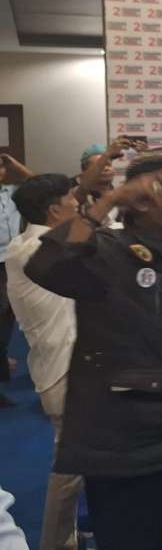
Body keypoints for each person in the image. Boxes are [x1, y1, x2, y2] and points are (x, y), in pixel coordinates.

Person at [24, 153, 162, 550]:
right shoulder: (104, 250)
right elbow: (46, 265)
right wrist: (107, 200)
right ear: (141, 201)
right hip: (129, 447)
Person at [7, 174, 82, 550]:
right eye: (73, 198)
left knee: (77, 461)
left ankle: (65, 536)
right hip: (64, 371)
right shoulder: (35, 249)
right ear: (55, 209)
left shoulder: (29, 243)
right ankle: (56, 543)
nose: (78, 204)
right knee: (68, 467)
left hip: (65, 367)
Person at [0, 153, 32, 406]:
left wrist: (16, 166)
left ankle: (2, 363)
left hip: (9, 259)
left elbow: (39, 184)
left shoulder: (13, 192)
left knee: (9, 316)